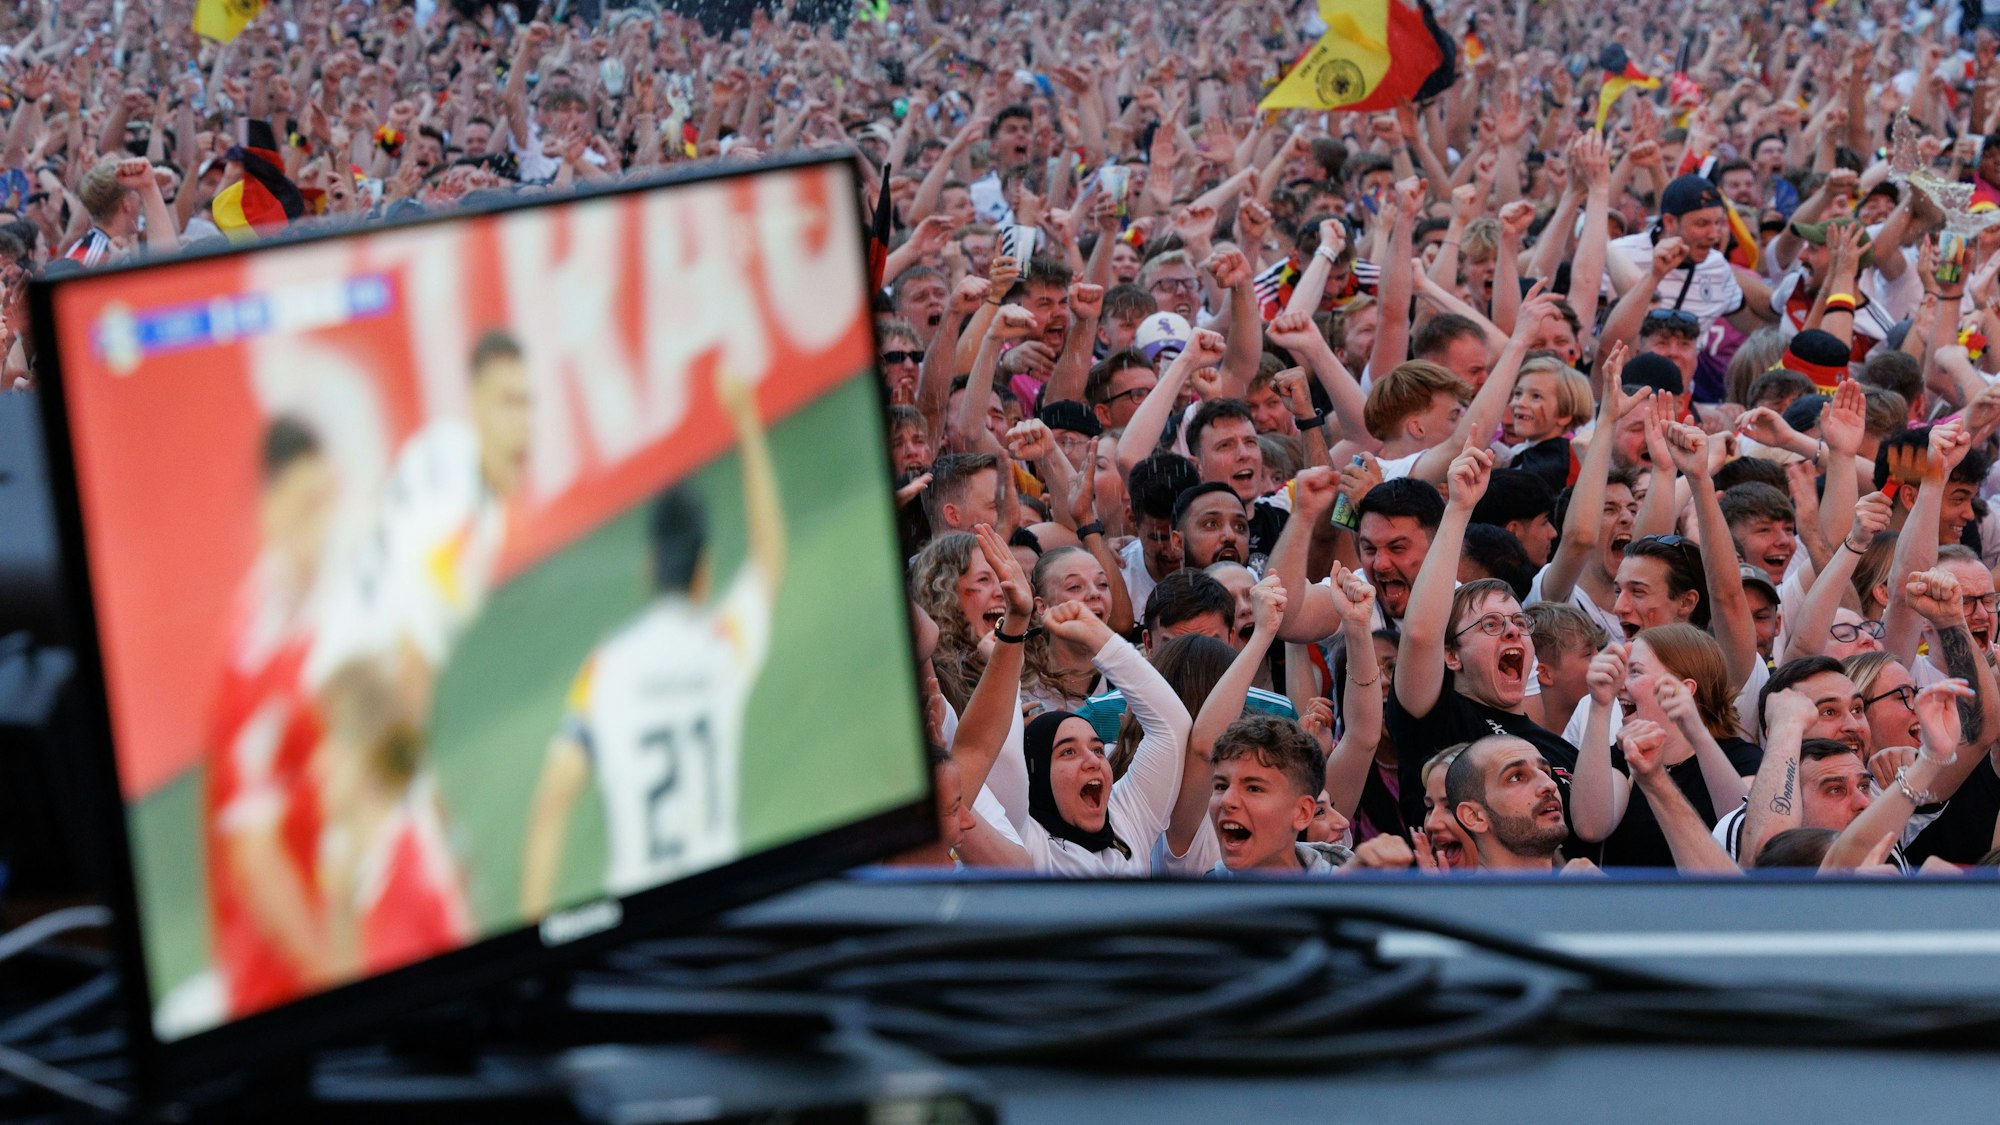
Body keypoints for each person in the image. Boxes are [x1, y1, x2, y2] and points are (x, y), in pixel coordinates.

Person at [518, 369, 782, 916]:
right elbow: (768, 561)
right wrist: (748, 423)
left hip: (637, 917)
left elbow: (552, 801)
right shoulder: (721, 647)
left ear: (648, 567)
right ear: (704, 571)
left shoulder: (605, 668)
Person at [304, 327, 533, 724]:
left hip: (332, 664)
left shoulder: (442, 448)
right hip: (354, 691)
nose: (521, 421)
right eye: (506, 403)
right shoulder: (464, 513)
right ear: (476, 403)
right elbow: (417, 640)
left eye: (525, 403)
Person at [205, 418, 339, 1017]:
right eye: (307, 508)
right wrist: (336, 976)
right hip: (282, 982)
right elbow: (255, 857)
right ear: (272, 513)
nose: (322, 526)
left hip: (336, 925)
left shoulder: (322, 604)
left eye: (327, 502)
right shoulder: (253, 655)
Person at [1389, 442, 1581, 834]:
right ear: (1452, 656)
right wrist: (1458, 509)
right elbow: (1421, 634)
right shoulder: (1440, 717)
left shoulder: (1561, 751)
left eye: (1518, 623)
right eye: (1491, 625)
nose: (1512, 630)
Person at [1572, 628, 1760, 868]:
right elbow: (1590, 826)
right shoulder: (1623, 756)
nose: (1620, 686)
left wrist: (1696, 733)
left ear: (1686, 689)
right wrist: (1600, 706)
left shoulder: (1741, 758)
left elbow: (1743, 835)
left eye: (1635, 672)